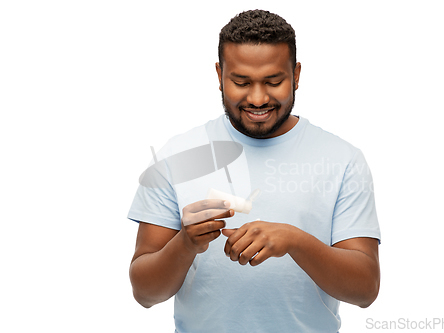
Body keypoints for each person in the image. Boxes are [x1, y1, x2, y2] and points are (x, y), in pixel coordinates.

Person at [128, 9, 381, 333]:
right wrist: (185, 244)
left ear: (297, 75)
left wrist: (295, 240)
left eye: (274, 81)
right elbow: (144, 293)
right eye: (241, 82)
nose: (258, 98)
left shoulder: (341, 159)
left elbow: (365, 290)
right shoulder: (179, 156)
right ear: (220, 75)